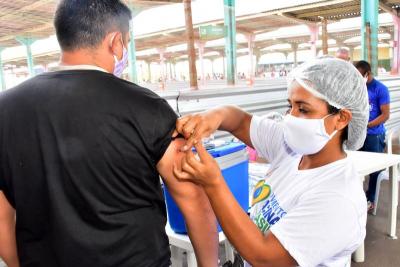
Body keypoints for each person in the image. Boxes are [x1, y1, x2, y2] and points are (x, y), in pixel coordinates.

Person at [0, 1, 218, 266]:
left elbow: (2, 216)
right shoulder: (146, 106)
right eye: (126, 42)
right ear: (115, 42)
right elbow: (193, 201)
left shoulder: (6, 108)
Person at [174, 58, 369, 267]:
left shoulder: (338, 200)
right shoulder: (292, 148)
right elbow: (239, 121)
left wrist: (213, 184)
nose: (290, 118)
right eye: (290, 106)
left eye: (303, 109)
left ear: (341, 118)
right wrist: (214, 116)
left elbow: (264, 257)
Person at [355, 60, 390, 212]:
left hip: (373, 135)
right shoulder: (357, 88)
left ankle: (371, 199)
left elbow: (385, 115)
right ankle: (358, 198)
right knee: (355, 167)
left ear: (367, 74)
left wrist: (367, 125)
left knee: (374, 171)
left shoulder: (380, 89)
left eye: (359, 76)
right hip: (358, 135)